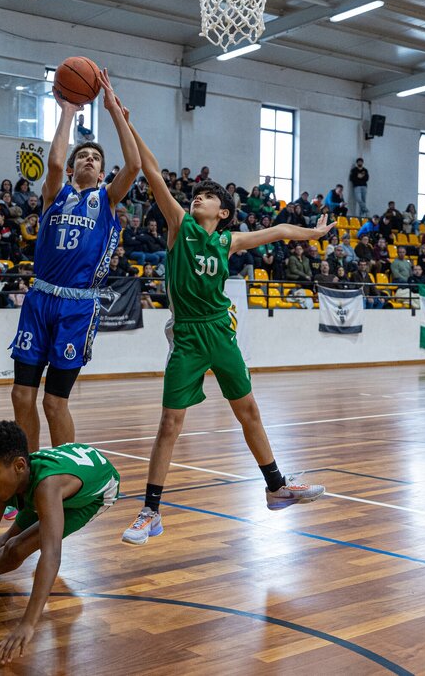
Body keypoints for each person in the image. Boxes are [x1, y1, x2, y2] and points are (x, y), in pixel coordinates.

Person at [119, 113, 329, 546]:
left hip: (221, 331)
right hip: (190, 336)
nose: (198, 199)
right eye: (196, 196)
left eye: (207, 198)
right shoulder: (180, 227)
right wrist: (127, 121)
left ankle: (276, 487)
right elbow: (153, 170)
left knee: (248, 410)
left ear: (224, 212)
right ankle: (150, 511)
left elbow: (278, 231)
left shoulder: (227, 241)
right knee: (169, 425)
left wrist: (315, 231)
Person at [9, 68, 139, 455]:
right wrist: (67, 111)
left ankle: (67, 475)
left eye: (94, 158)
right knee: (20, 396)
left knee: (54, 401)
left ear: (102, 171)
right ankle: (28, 475)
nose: (87, 159)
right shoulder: (55, 194)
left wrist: (114, 110)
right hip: (39, 299)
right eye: (81, 155)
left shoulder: (108, 201)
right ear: (72, 166)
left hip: (77, 306)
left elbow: (133, 166)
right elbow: (52, 164)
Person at [0, 420, 119, 664]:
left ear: (18, 465)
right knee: (3, 542)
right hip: (62, 476)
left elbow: (52, 555)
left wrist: (27, 624)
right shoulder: (15, 475)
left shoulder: (46, 486)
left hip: (93, 496)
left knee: (16, 549)